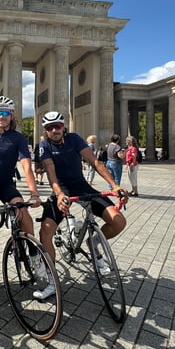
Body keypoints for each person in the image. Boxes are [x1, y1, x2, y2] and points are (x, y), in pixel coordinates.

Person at [36, 111, 128, 299]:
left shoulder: (75, 139)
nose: (54, 130)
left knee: (118, 221)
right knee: (45, 231)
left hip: (81, 185)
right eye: (49, 127)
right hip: (61, 188)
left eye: (57, 126)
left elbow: (94, 161)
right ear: (45, 131)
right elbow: (50, 171)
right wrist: (59, 194)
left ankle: (93, 243)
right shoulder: (44, 145)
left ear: (63, 127)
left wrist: (114, 185)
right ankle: (53, 281)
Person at [0, 96, 42, 295]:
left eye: (5, 113)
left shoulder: (18, 138)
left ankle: (34, 257)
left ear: (11, 116)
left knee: (23, 214)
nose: (1, 116)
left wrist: (34, 193)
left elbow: (26, 165)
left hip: (5, 185)